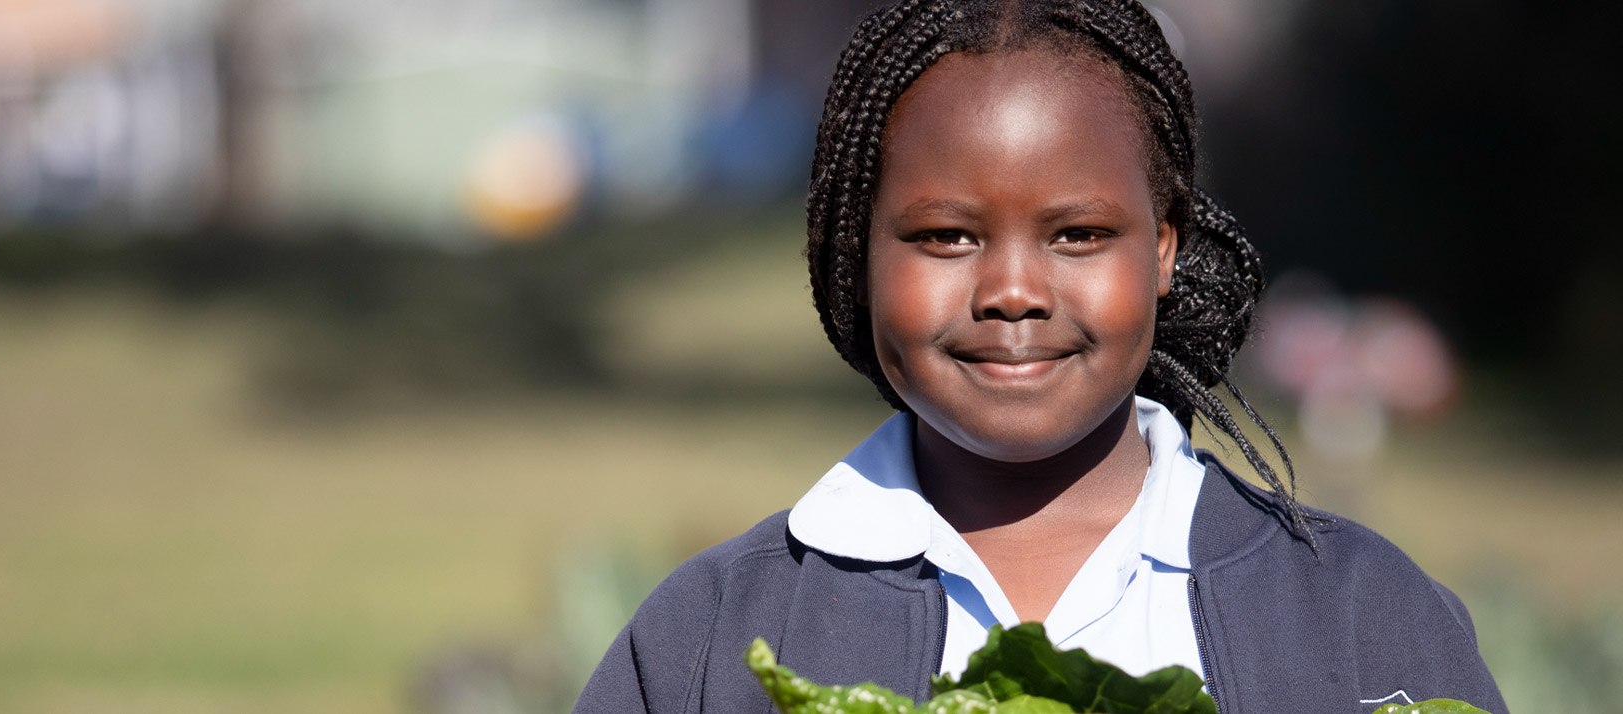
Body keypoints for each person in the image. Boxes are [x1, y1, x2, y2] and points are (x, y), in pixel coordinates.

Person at [572, 1, 1507, 713]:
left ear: (1164, 249)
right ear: (857, 254)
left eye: (1078, 235)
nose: (1011, 290)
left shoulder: (1365, 624)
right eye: (943, 236)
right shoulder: (710, 641)